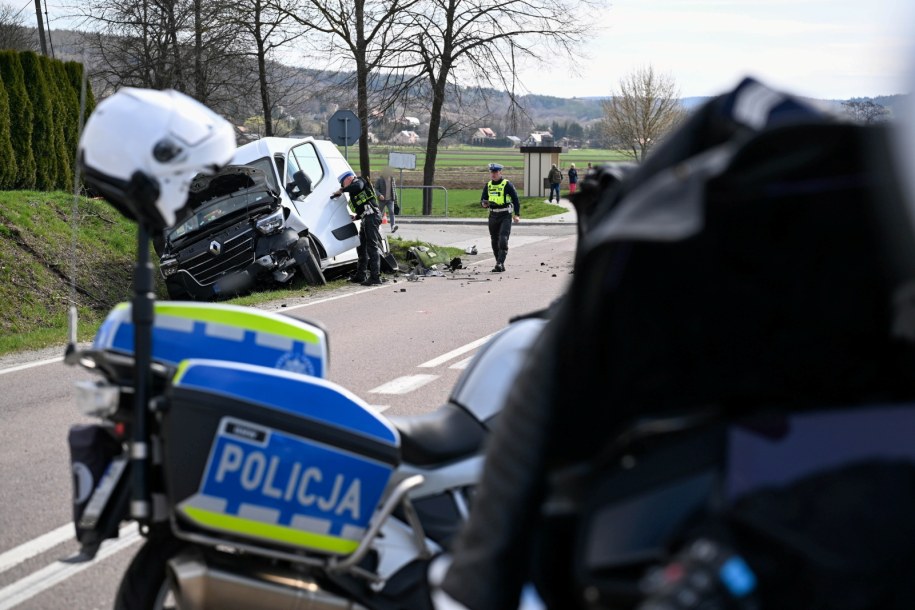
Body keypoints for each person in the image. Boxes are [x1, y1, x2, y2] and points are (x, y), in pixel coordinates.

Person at [332, 170, 385, 286]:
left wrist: (341, 190)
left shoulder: (359, 181)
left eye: (343, 183)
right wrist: (356, 217)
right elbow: (363, 206)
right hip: (366, 218)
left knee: (372, 246)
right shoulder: (354, 191)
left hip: (372, 217)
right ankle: (361, 275)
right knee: (361, 247)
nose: (342, 186)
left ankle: (375, 277)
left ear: (348, 179)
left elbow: (358, 186)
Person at [480, 163, 520, 273]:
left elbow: (516, 199)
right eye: (492, 172)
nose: (493, 174)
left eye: (496, 172)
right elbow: (483, 199)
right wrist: (484, 204)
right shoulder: (488, 185)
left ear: (500, 172)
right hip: (493, 215)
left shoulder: (507, 184)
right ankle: (499, 263)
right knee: (494, 240)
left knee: (503, 239)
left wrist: (517, 214)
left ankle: (500, 263)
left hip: (505, 215)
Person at [374, 169, 399, 233]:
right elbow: (375, 189)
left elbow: (394, 189)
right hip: (382, 200)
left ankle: (393, 227)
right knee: (380, 214)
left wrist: (395, 199)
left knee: (391, 212)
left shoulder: (392, 179)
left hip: (390, 199)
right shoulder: (379, 180)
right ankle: (376, 227)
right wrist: (379, 195)